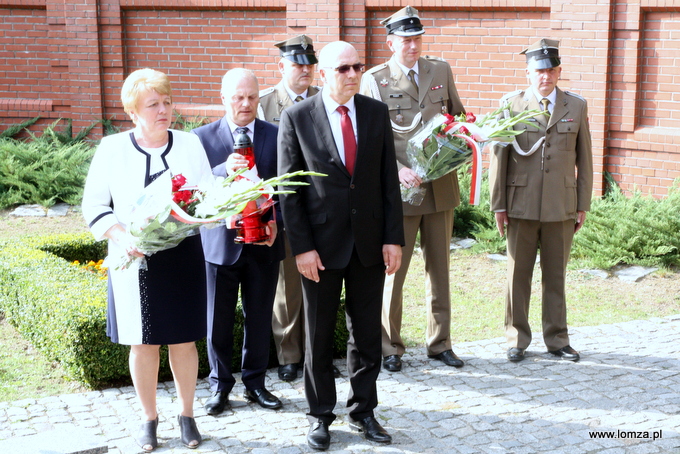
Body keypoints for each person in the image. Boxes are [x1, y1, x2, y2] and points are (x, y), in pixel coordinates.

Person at [278, 40, 404, 451]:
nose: (352, 74)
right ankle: (319, 415)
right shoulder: (296, 117)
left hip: (369, 244)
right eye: (343, 69)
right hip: (320, 246)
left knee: (366, 334)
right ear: (322, 74)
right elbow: (289, 192)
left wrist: (392, 238)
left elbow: (388, 182)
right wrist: (301, 248)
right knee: (316, 335)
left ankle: (364, 410)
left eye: (357, 67)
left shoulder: (375, 112)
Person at [82, 68, 209, 452]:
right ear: (132, 112)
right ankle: (148, 419)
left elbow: (206, 196)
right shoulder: (112, 149)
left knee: (184, 341)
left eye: (167, 102)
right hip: (134, 260)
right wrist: (122, 236)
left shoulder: (189, 144)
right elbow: (94, 205)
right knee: (143, 343)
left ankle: (187, 415)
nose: (163, 110)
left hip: (182, 255)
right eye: (153, 104)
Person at [360, 5, 466, 372]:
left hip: (439, 189)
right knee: (395, 270)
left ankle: (441, 343)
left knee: (440, 270)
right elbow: (369, 138)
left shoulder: (440, 70)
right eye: (405, 39)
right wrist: (397, 169)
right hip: (399, 192)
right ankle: (390, 346)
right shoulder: (375, 79)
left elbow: (458, 118)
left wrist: (458, 146)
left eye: (417, 38)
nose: (412, 45)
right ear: (390, 42)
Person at [488, 38, 593, 363]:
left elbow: (585, 158)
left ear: (558, 71)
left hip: (560, 205)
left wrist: (583, 203)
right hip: (520, 205)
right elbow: (498, 158)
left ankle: (557, 339)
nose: (544, 77)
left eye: (550, 70)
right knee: (517, 275)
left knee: (555, 276)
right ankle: (516, 338)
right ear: (528, 73)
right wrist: (499, 205)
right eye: (538, 71)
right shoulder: (511, 104)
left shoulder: (575, 105)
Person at [193, 68, 285, 416]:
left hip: (263, 244)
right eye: (238, 97)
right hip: (219, 245)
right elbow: (192, 190)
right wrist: (221, 171)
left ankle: (256, 383)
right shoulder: (201, 138)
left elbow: (288, 190)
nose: (245, 104)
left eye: (251, 97)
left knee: (260, 316)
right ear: (223, 99)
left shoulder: (276, 135)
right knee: (217, 320)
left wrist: (276, 222)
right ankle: (220, 386)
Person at [256, 34, 330, 382]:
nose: (305, 70)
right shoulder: (267, 103)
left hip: (323, 206)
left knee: (321, 282)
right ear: (281, 66)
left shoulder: (324, 99)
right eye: (298, 64)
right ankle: (289, 354)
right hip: (284, 205)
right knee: (287, 284)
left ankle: (319, 353)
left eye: (309, 64)